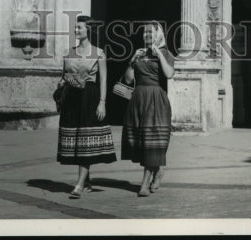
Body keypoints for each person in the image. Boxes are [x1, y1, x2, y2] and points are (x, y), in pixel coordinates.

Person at [56, 15, 116, 198]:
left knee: (85, 141)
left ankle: (79, 185)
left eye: (79, 28)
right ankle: (87, 180)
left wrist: (102, 103)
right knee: (76, 140)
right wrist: (62, 82)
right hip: (72, 100)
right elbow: (62, 75)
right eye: (75, 28)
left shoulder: (98, 53)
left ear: (88, 30)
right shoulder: (68, 53)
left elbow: (104, 80)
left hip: (90, 97)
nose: (76, 31)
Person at [121, 21, 175, 197]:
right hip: (138, 98)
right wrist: (132, 61)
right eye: (145, 32)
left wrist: (158, 53)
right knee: (142, 141)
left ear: (158, 35)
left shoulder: (165, 53)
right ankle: (158, 170)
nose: (147, 35)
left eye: (151, 32)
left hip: (156, 100)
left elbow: (169, 74)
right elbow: (128, 80)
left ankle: (144, 182)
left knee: (151, 140)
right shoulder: (139, 53)